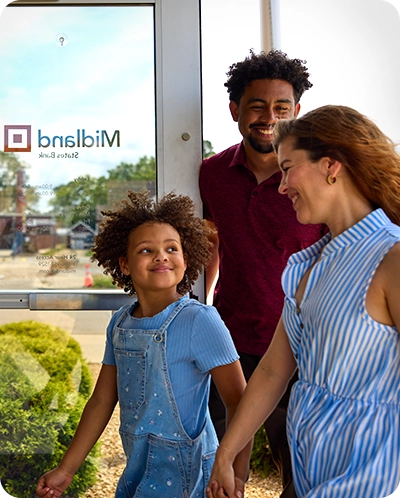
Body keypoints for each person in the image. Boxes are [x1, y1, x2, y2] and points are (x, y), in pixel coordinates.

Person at [206, 105, 400, 498]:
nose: (281, 186)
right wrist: (224, 455)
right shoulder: (306, 267)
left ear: (332, 165)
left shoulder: (391, 257)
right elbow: (274, 372)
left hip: (372, 475)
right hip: (310, 468)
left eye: (288, 167)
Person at [36, 191, 251, 498]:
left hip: (196, 478)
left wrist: (236, 474)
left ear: (185, 259)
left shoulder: (200, 321)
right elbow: (101, 401)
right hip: (139, 470)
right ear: (124, 264)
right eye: (146, 250)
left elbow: (239, 402)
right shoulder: (120, 323)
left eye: (171, 248)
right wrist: (66, 469)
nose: (161, 256)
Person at [199, 49, 325, 494]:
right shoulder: (211, 174)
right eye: (256, 105)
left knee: (301, 472)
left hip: (301, 347)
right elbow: (214, 241)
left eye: (281, 107)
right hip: (229, 342)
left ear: (296, 112)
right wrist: (202, 304)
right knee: (222, 468)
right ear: (235, 110)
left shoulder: (317, 177)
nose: (268, 116)